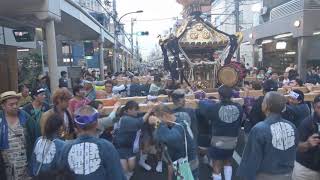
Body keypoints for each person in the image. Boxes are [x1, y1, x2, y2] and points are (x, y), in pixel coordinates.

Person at [238, 92, 298, 180]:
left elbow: (252, 158)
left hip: (265, 175)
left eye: (263, 101)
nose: (262, 103)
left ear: (267, 106)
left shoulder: (259, 128)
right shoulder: (291, 126)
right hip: (287, 174)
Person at [60, 105, 125, 180]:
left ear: (76, 126)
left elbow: (62, 175)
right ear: (97, 123)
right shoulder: (106, 146)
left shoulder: (66, 148)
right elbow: (116, 176)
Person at [201, 85, 243, 180]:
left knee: (217, 165)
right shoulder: (239, 107)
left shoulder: (214, 108)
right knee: (228, 161)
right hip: (233, 140)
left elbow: (205, 111)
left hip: (218, 141)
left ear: (219, 96)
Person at [151, 104, 198, 179]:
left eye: (158, 118)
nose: (159, 121)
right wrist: (158, 124)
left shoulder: (180, 125)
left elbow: (172, 138)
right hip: (180, 162)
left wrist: (158, 123)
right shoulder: (172, 124)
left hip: (188, 164)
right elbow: (157, 137)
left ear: (165, 115)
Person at [0, 91, 36, 180]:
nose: (15, 106)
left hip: (26, 167)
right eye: (11, 104)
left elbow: (36, 135)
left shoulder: (25, 117)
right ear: (3, 106)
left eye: (16, 103)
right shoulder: (0, 120)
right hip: (6, 167)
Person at [113, 101, 153, 180]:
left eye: (137, 109)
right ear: (128, 110)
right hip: (120, 147)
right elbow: (139, 122)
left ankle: (128, 175)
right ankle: (126, 176)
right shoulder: (125, 119)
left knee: (131, 167)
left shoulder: (130, 116)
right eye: (135, 109)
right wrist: (149, 110)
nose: (137, 111)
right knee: (124, 169)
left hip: (130, 147)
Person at [292, 95, 320, 180]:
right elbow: (297, 147)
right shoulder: (307, 123)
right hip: (307, 170)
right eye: (319, 107)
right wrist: (308, 144)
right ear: (314, 108)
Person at [30, 114, 65, 179]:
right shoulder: (62, 145)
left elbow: (33, 161)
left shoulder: (39, 140)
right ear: (60, 128)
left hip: (37, 176)